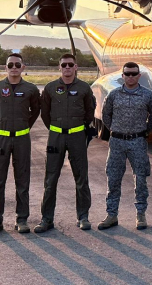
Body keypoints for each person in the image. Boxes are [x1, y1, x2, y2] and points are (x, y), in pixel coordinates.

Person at [35, 53, 97, 233]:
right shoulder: (51, 88)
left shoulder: (84, 88)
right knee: (50, 178)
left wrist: (79, 129)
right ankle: (47, 219)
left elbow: (89, 112)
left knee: (81, 178)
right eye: (64, 65)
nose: (67, 68)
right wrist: (56, 129)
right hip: (56, 137)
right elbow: (45, 113)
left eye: (70, 64)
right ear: (59, 68)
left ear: (76, 67)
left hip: (77, 137)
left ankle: (83, 216)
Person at [0, 53, 41, 235]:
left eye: (18, 64)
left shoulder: (31, 89)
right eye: (10, 65)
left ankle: (22, 219)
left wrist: (23, 127)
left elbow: (35, 111)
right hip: (0, 139)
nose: (14, 67)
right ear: (5, 67)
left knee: (22, 180)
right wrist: (1, 127)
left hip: (22, 139)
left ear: (23, 67)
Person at [98, 62, 152, 230]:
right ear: (122, 76)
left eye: (134, 74)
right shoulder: (114, 94)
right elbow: (106, 115)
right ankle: (111, 215)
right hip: (117, 141)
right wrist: (117, 130)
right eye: (127, 74)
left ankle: (140, 214)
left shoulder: (147, 95)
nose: (130, 76)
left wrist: (143, 131)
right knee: (113, 179)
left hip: (137, 141)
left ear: (139, 76)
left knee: (140, 179)